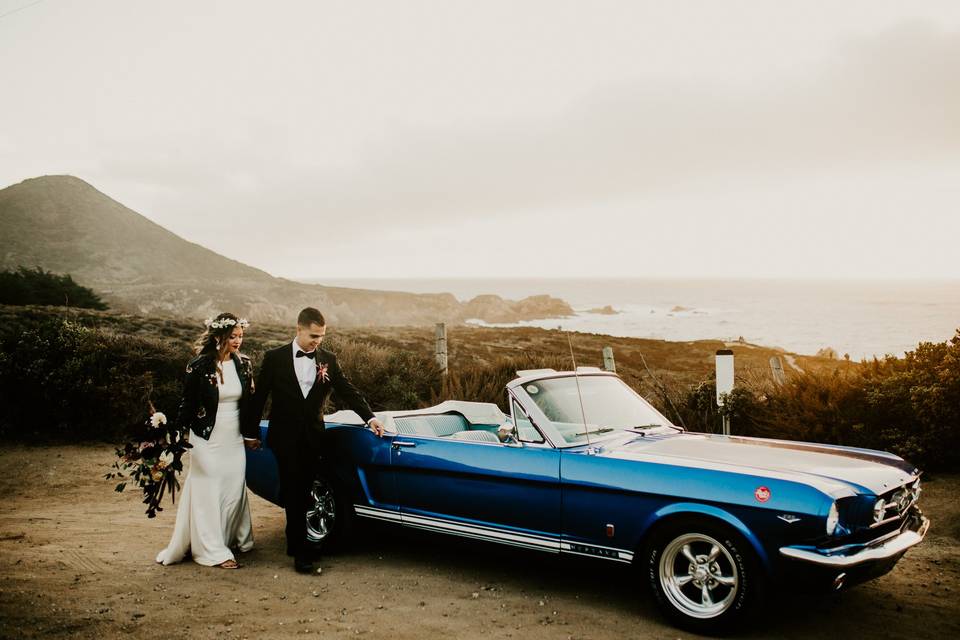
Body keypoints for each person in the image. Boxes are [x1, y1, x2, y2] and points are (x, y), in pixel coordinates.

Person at [241, 307, 384, 574]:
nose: (317, 341)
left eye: (321, 336)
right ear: (298, 329)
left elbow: (347, 391)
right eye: (313, 335)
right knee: (294, 490)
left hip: (314, 438)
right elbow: (259, 397)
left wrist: (370, 418)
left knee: (304, 490)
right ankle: (301, 553)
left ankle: (296, 544)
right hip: (284, 437)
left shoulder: (328, 359)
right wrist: (250, 433)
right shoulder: (275, 358)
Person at [156, 312, 255, 569]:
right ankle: (212, 549)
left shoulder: (244, 364)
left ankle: (227, 538)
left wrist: (250, 434)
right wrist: (176, 436)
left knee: (233, 489)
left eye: (240, 336)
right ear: (218, 336)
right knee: (209, 489)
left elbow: (251, 403)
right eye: (233, 337)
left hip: (233, 437)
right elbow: (187, 404)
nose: (238, 341)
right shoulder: (198, 366)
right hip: (206, 437)